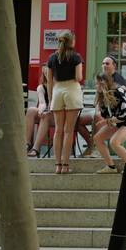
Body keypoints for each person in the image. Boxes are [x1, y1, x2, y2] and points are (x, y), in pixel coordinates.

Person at [47, 31, 85, 175]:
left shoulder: (52, 57)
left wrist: (51, 98)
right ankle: (65, 165)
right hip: (71, 90)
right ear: (71, 41)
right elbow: (79, 77)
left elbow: (50, 80)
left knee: (58, 130)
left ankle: (57, 165)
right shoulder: (76, 57)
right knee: (68, 131)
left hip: (57, 91)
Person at [91, 72, 126, 173]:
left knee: (114, 142)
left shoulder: (118, 91)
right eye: (96, 83)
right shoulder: (102, 97)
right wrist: (105, 120)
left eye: (98, 83)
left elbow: (125, 114)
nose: (96, 86)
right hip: (120, 121)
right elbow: (107, 116)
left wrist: (109, 121)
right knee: (98, 138)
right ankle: (111, 167)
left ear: (104, 83)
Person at [77, 55, 126, 150]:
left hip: (114, 115)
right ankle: (92, 145)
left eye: (107, 64)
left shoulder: (118, 78)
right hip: (103, 111)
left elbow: (121, 98)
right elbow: (99, 99)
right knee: (78, 121)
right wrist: (98, 109)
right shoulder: (102, 77)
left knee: (98, 116)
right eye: (103, 63)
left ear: (114, 66)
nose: (104, 65)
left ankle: (96, 148)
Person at [25, 65, 53, 157]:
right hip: (46, 110)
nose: (46, 74)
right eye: (44, 72)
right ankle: (27, 143)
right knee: (31, 110)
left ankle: (35, 148)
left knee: (45, 115)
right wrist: (41, 110)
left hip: (56, 113)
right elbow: (42, 102)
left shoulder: (57, 86)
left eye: (48, 72)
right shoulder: (41, 87)